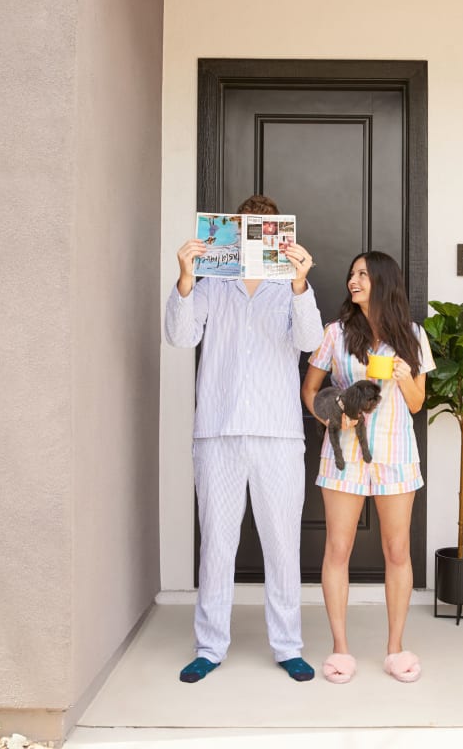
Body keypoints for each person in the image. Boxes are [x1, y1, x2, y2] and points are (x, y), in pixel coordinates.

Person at [165, 194, 323, 684]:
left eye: (265, 227)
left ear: (277, 235)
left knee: (282, 544)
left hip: (278, 434)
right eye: (248, 227)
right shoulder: (212, 283)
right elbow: (180, 336)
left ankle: (288, 645)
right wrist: (187, 278)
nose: (256, 234)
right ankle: (209, 647)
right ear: (234, 234)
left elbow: (310, 342)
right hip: (218, 432)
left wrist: (300, 284)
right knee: (217, 543)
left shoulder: (291, 289)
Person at [300, 250, 434, 684]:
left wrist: (402, 375)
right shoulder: (335, 333)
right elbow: (309, 389)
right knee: (337, 551)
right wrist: (330, 416)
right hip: (344, 455)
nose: (352, 281)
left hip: (396, 455)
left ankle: (395, 649)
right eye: (351, 274)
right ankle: (340, 649)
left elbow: (417, 403)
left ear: (383, 281)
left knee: (398, 552)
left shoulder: (412, 336)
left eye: (362, 274)